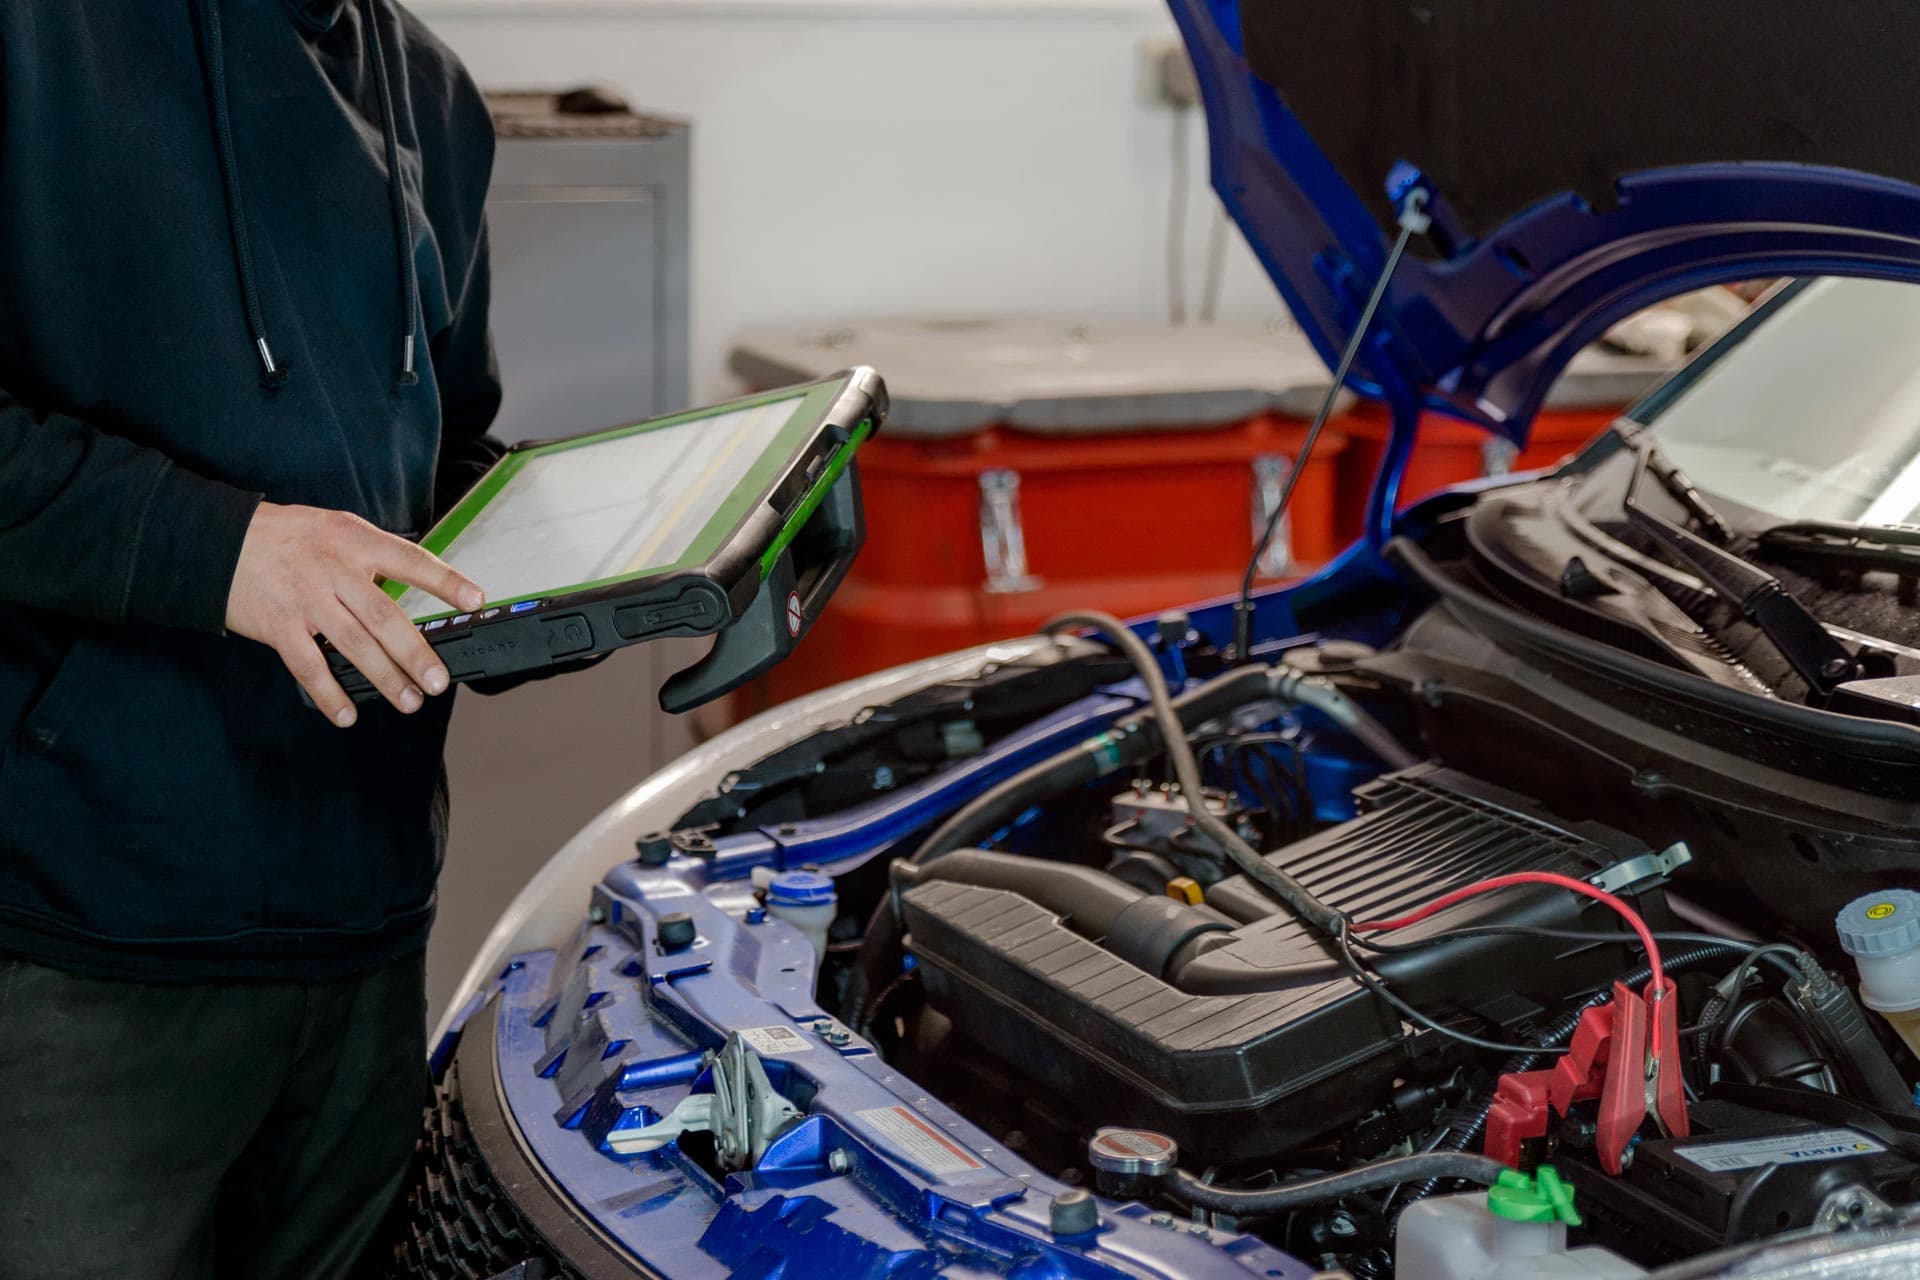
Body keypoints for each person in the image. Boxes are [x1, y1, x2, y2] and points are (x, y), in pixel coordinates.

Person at [0, 2, 503, 1275]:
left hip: (366, 918)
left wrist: (599, 561)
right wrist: (223, 548)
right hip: (85, 934)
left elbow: (446, 450)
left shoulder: (435, 93)